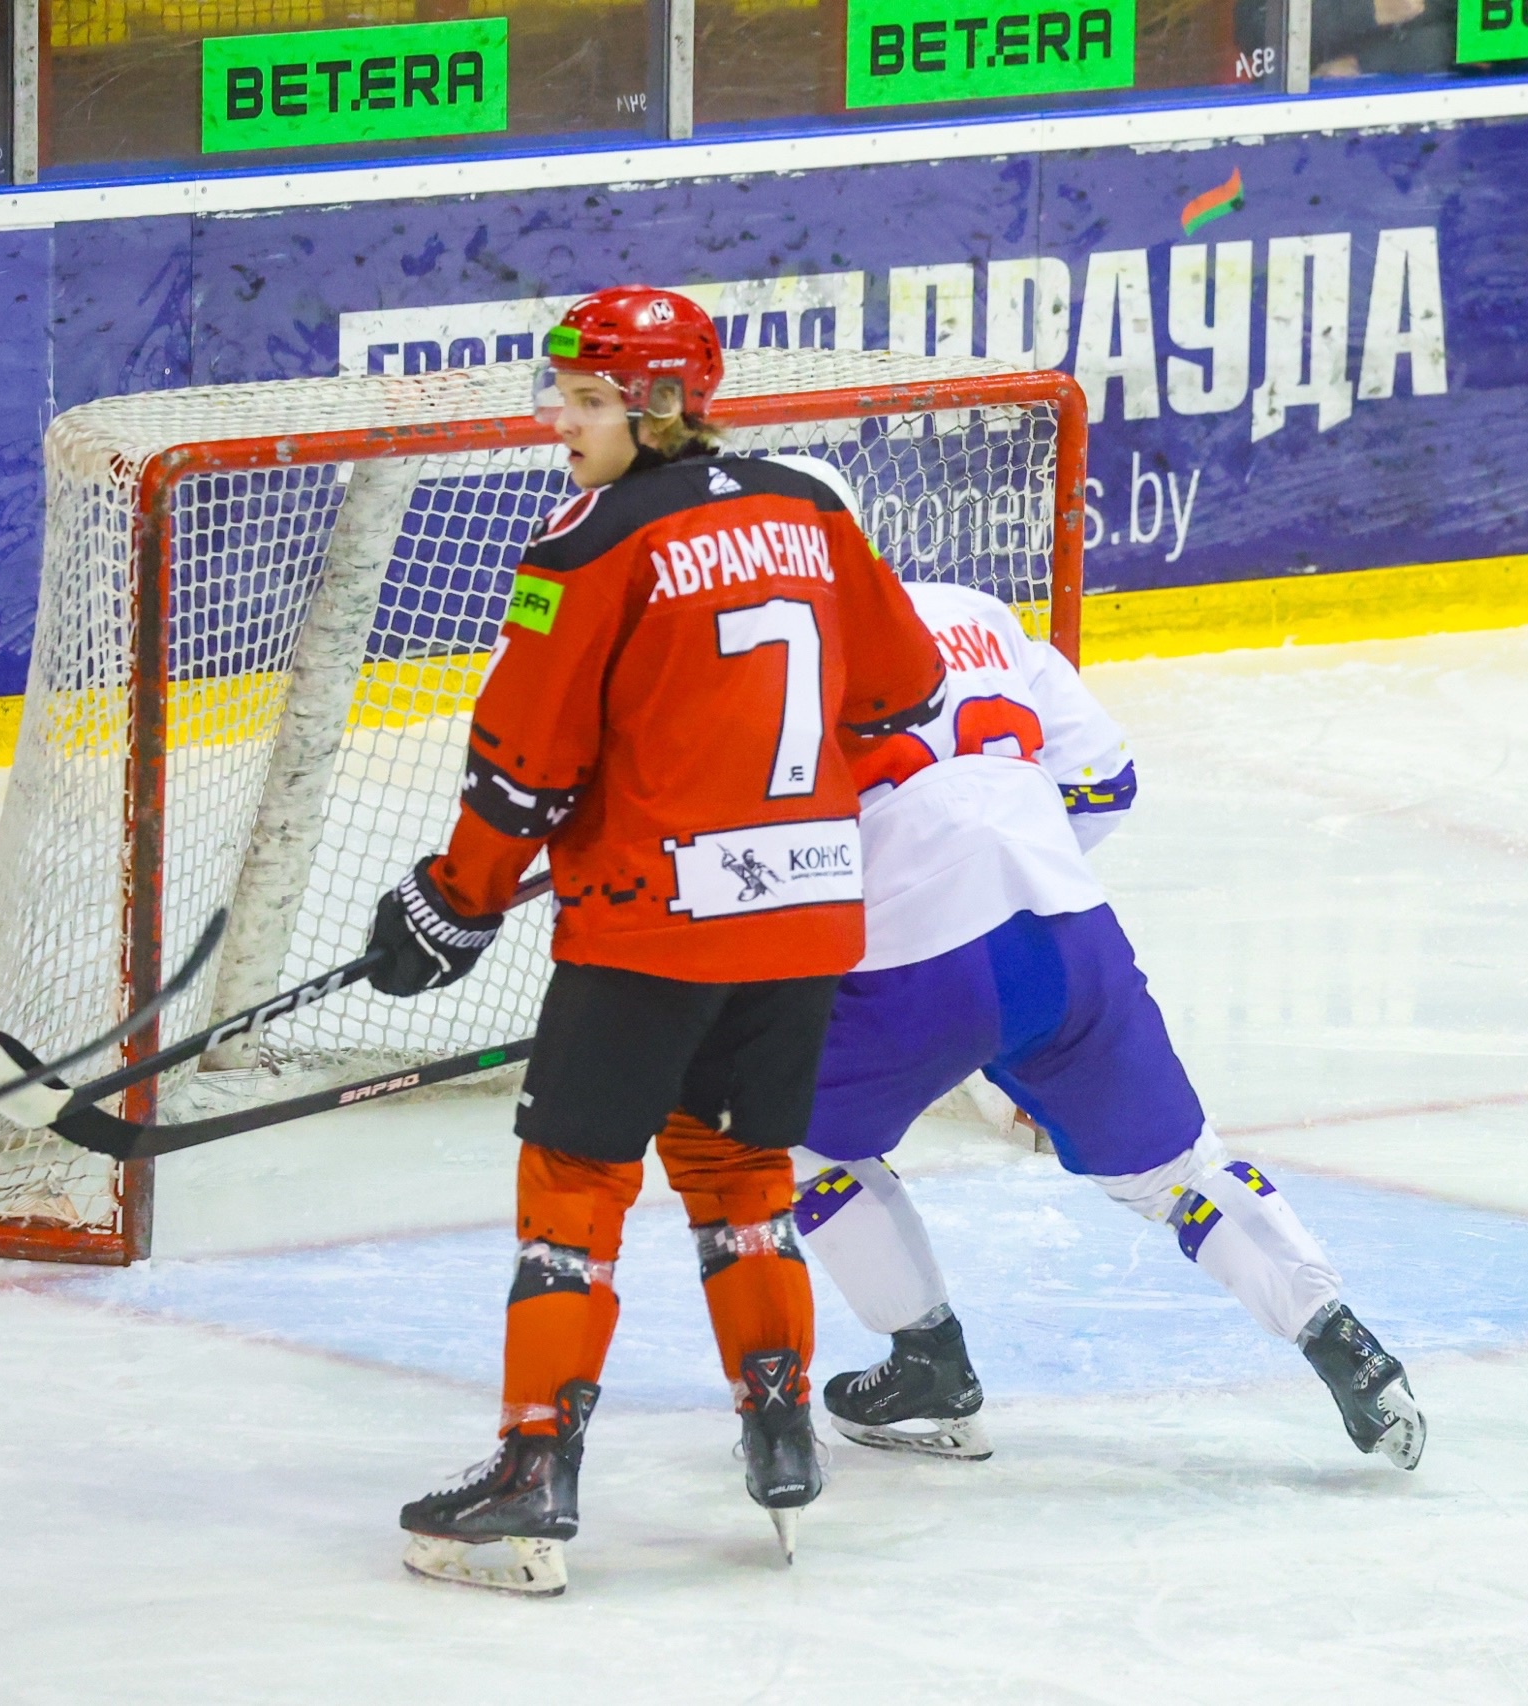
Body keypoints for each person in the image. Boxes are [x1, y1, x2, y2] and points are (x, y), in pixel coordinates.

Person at [365, 285, 945, 1595]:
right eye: (559, 395)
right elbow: (907, 692)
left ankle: (532, 1469)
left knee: (574, 1184)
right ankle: (782, 1436)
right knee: (740, 1171)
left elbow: (525, 769)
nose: (558, 422)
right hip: (803, 913)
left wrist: (455, 898)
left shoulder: (592, 540)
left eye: (586, 400)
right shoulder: (809, 506)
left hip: (650, 931)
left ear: (662, 404)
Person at [768, 565, 1425, 1471]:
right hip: (1070, 938)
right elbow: (1106, 780)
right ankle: (1346, 1343)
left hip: (909, 970)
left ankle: (929, 1366)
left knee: (787, 1149)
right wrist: (1022, 858)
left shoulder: (771, 649)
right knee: (1185, 1175)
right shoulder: (976, 611)